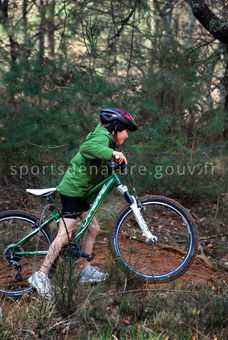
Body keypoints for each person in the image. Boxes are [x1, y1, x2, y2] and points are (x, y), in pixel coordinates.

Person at [28, 108, 137, 298]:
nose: (126, 135)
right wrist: (113, 153)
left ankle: (85, 272)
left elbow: (94, 158)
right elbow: (86, 148)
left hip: (81, 193)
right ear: (116, 128)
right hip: (73, 191)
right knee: (66, 233)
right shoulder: (102, 137)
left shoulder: (105, 138)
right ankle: (41, 275)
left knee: (93, 227)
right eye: (125, 131)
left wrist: (113, 160)